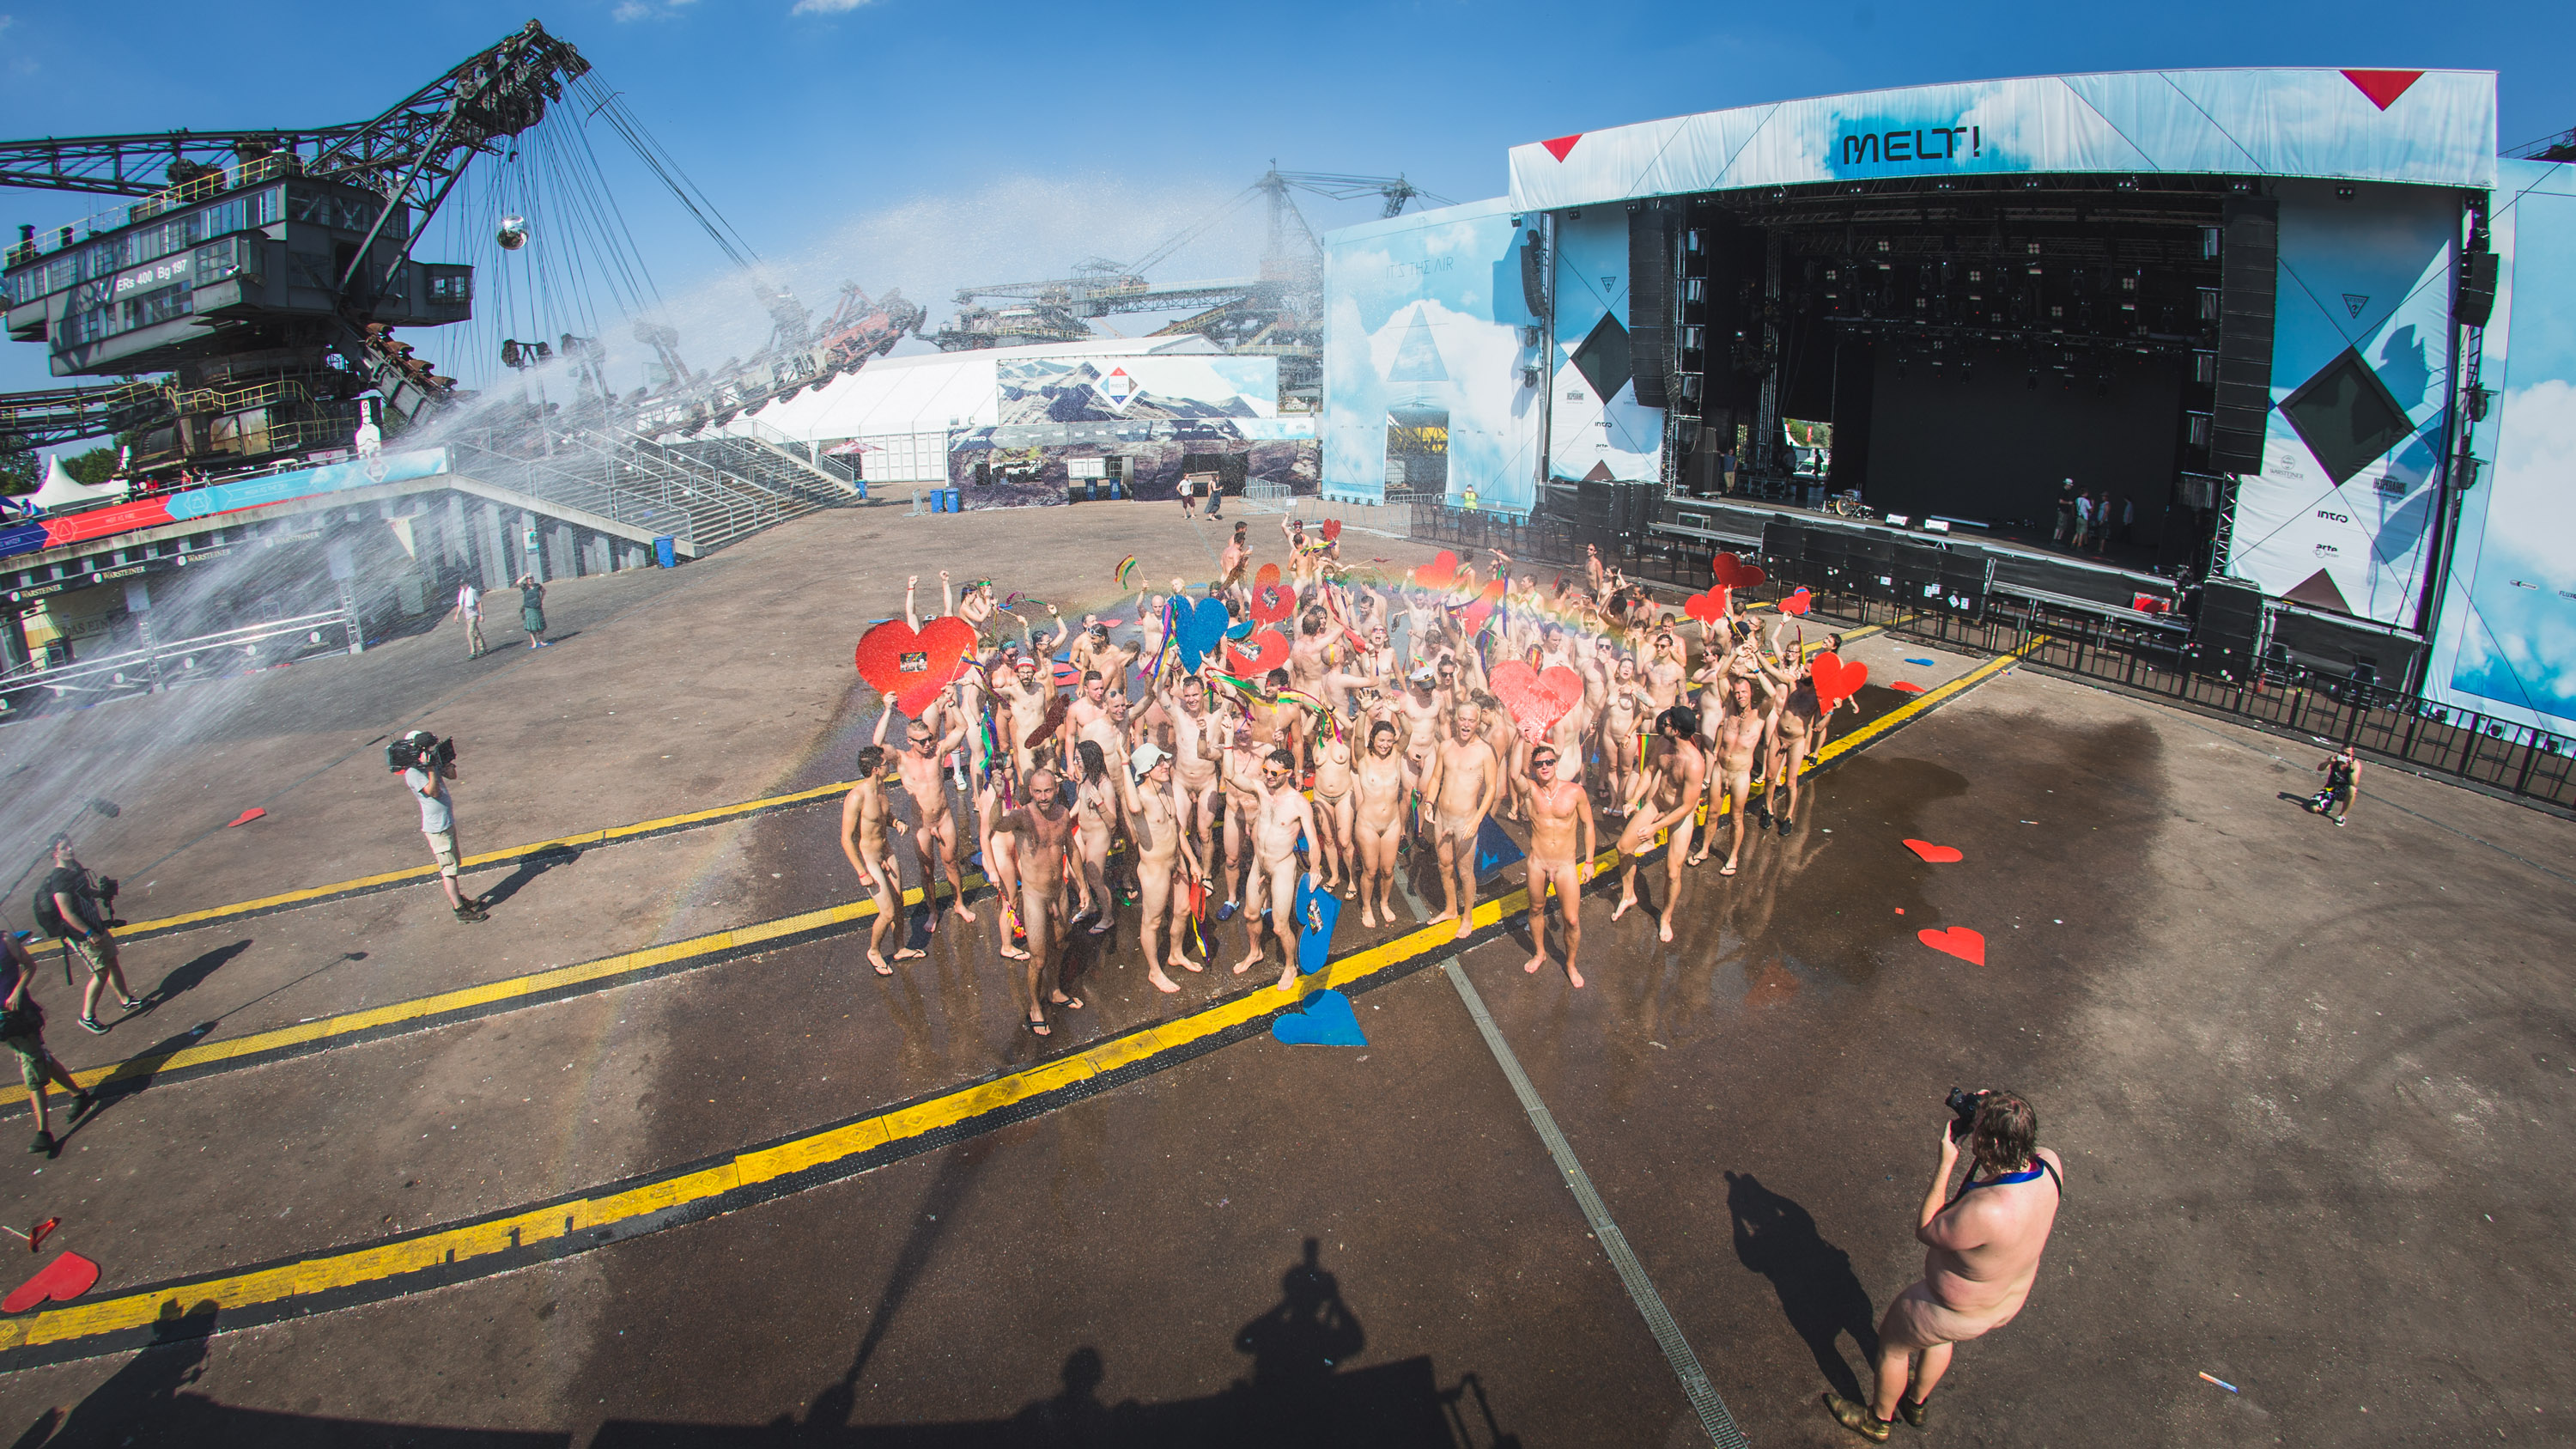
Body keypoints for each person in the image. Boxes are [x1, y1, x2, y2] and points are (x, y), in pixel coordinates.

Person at [1825, 1092, 2063, 1441]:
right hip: (1998, 1304)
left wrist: (1947, 1161)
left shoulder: (1989, 1210)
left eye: (1978, 1125)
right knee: (1937, 1339)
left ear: (1992, 1141)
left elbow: (1927, 1229)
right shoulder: (2050, 1164)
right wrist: (1993, 1106)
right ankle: (1916, 1403)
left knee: (1893, 1345)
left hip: (1952, 1308)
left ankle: (1878, 1422)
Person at [987, 766, 1084, 1035]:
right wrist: (997, 798)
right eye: (1037, 791)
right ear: (1030, 791)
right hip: (1034, 897)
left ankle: (1053, 990)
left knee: (1061, 943)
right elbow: (997, 824)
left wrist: (1084, 886)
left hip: (1059, 891)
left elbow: (1071, 849)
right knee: (1039, 958)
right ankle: (1034, 1006)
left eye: (1048, 791)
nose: (1043, 797)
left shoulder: (1063, 814)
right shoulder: (1022, 817)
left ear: (1056, 789)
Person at [878, 696, 978, 932]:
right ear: (909, 741)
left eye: (930, 739)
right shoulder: (901, 760)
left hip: (943, 819)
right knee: (927, 869)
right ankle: (933, 911)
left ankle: (959, 904)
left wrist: (952, 705)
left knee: (951, 863)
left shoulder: (938, 751)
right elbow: (878, 742)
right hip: (922, 824)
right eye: (922, 741)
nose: (928, 744)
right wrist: (887, 710)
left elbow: (962, 728)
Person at [1613, 707, 1707, 944]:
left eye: (1667, 721)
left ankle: (1665, 917)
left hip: (1679, 815)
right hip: (1657, 803)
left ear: (1676, 730)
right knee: (1623, 847)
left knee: (1673, 873)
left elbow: (1687, 806)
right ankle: (1629, 895)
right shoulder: (1664, 745)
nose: (1662, 721)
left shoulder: (1694, 764)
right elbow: (1649, 771)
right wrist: (1634, 800)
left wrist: (1655, 828)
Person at [33, 837, 141, 1033]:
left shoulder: (74, 867)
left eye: (70, 845)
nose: (70, 849)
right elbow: (66, 913)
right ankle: (87, 1016)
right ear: (54, 854)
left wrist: (101, 894)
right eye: (64, 848)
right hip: (82, 934)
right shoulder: (59, 879)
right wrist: (89, 933)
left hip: (96, 925)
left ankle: (126, 1000)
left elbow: (83, 891)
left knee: (112, 961)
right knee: (100, 972)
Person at [1235, 747, 1321, 993]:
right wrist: (1229, 742)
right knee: (1251, 914)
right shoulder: (1262, 790)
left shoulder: (1299, 803)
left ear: (1289, 773)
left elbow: (1313, 842)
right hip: (1260, 863)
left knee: (1280, 926)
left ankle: (1291, 966)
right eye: (1265, 770)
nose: (1268, 776)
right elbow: (1231, 775)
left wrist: (1315, 868)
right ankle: (1255, 952)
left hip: (1283, 866)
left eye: (1274, 772)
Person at [1, 931, 93, 1155]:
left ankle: (44, 1132)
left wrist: (17, 992)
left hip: (19, 1018)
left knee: (32, 1070)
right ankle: (79, 1095)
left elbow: (30, 966)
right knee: (41, 1060)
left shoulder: (5, 941)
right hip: (3, 1026)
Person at [1121, 743, 1202, 994]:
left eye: (1165, 761)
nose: (1166, 765)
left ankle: (1175, 954)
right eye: (1159, 763)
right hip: (1154, 868)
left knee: (1182, 909)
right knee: (1153, 922)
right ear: (1146, 770)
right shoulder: (1140, 796)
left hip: (1175, 861)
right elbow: (1133, 808)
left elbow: (1177, 828)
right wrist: (1125, 764)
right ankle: (1154, 972)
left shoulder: (1166, 788)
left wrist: (1192, 861)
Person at [839, 745, 924, 977]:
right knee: (886, 913)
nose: (890, 766)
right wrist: (861, 872)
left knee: (899, 904)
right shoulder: (856, 796)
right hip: (870, 860)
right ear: (876, 769)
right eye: (886, 764)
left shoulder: (882, 788)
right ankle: (874, 951)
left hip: (887, 852)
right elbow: (846, 839)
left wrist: (896, 823)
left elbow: (882, 817)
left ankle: (900, 948)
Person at [1420, 701, 1502, 941]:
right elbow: (1436, 778)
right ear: (1456, 720)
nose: (1466, 724)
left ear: (1478, 723)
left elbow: (1492, 790)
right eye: (1462, 719)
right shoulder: (1445, 746)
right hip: (1442, 818)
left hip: (1466, 821)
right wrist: (1429, 803)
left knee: (1465, 872)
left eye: (1471, 720)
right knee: (1444, 865)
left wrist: (1477, 820)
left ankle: (1468, 917)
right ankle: (1451, 909)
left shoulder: (1485, 751)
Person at [1519, 745, 1596, 988]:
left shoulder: (1575, 792)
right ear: (1533, 768)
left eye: (1549, 762)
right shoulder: (1531, 790)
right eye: (1539, 763)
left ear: (1556, 764)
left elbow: (1589, 826)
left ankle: (1571, 964)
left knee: (1571, 920)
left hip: (1565, 865)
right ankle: (1540, 952)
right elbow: (1513, 775)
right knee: (1535, 909)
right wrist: (1521, 740)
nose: (1544, 767)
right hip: (1538, 863)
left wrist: (1590, 861)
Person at [396, 733, 487, 925]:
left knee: (454, 864)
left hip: (446, 822)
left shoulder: (429, 762)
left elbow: (453, 776)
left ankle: (459, 898)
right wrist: (430, 768)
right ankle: (459, 910)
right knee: (449, 870)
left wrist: (445, 764)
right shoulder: (413, 772)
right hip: (436, 828)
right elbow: (433, 791)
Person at [2315, 745, 2360, 825]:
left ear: (2352, 754)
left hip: (2343, 789)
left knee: (2352, 790)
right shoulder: (2335, 759)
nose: (2344, 756)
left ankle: (2342, 816)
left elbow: (2354, 783)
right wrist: (2329, 762)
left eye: (2347, 755)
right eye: (2342, 753)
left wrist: (2350, 768)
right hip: (2331, 788)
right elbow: (2320, 768)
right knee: (2314, 808)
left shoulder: (2355, 764)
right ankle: (2327, 805)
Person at [513, 573, 550, 648]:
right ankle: (534, 642)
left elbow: (544, 591)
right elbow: (518, 583)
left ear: (533, 579)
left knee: (540, 627)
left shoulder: (538, 586)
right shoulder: (525, 587)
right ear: (526, 580)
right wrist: (525, 576)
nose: (530, 580)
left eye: (531, 579)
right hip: (529, 609)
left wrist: (541, 599)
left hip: (537, 608)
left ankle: (541, 641)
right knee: (531, 627)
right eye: (528, 579)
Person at [453, 580, 487, 658]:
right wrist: (457, 615)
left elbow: (479, 602)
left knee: (470, 632)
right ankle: (483, 648)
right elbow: (461, 605)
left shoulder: (473, 592)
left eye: (462, 584)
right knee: (475, 632)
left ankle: (473, 652)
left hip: (474, 614)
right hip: (467, 615)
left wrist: (481, 614)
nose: (461, 586)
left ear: (466, 584)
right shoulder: (462, 594)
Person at [2051, 479, 2076, 548]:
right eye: (2070, 485)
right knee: (2060, 525)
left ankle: (2058, 540)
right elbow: (2060, 501)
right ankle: (2055, 540)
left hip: (2065, 511)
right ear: (2067, 485)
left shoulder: (2066, 492)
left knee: (2063, 526)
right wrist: (2068, 503)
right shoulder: (2063, 491)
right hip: (2062, 510)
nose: (2071, 487)